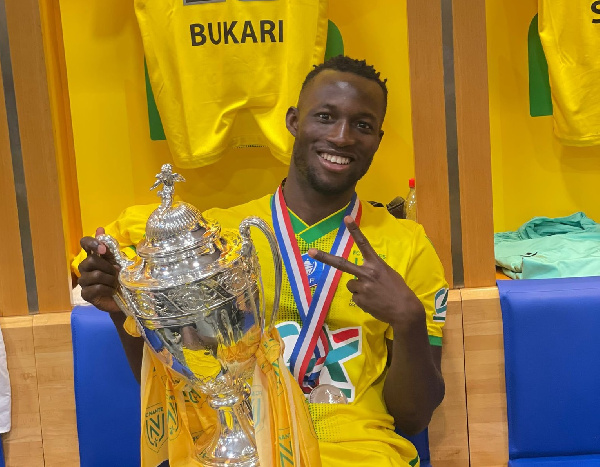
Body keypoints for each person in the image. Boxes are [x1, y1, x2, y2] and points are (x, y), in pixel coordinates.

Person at [76, 55, 447, 466]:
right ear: (293, 121)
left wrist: (409, 320)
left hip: (359, 453)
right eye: (325, 117)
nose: (342, 137)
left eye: (362, 126)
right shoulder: (218, 239)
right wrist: (122, 310)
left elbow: (413, 418)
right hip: (235, 448)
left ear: (377, 138)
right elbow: (184, 379)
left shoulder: (407, 245)